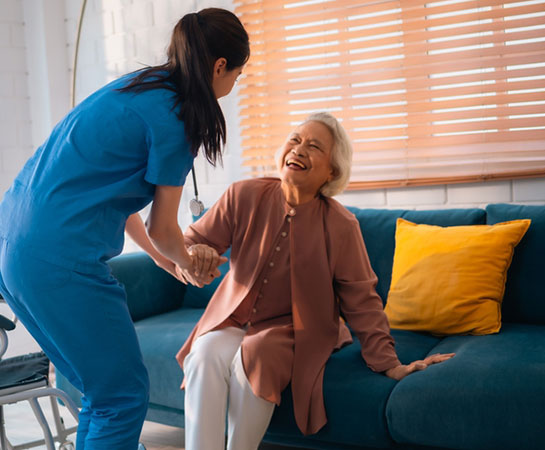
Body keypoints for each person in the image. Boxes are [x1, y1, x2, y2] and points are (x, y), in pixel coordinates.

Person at [0, 8, 248, 450]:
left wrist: (169, 263)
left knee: (104, 395)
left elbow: (123, 206)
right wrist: (190, 262)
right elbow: (164, 227)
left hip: (11, 249)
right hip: (59, 260)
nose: (234, 85)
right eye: (237, 74)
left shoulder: (136, 88)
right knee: (122, 395)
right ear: (220, 66)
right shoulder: (178, 117)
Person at [172, 112, 455, 449]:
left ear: (331, 172)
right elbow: (191, 243)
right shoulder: (243, 194)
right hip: (232, 319)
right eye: (295, 140)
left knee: (258, 353)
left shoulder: (341, 225)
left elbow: (362, 300)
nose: (299, 149)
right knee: (203, 353)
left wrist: (389, 364)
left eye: (314, 146)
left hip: (292, 329)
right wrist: (194, 259)